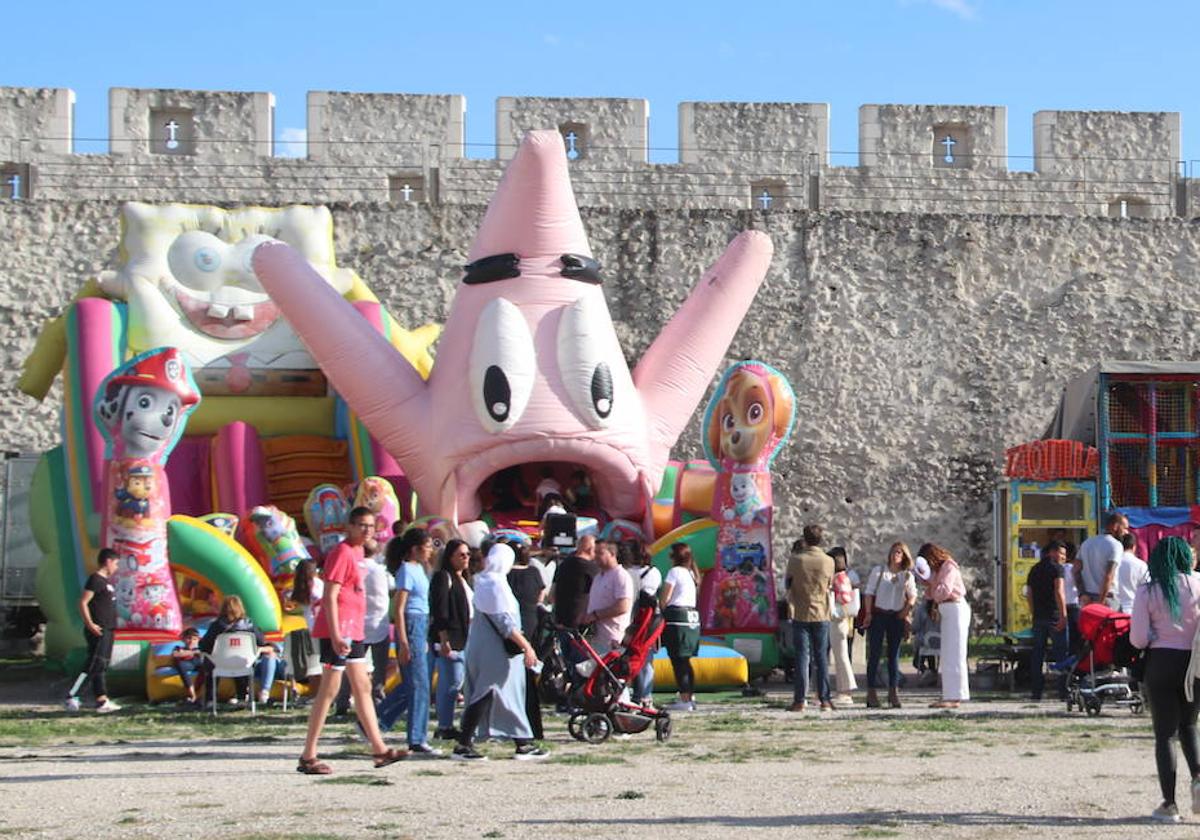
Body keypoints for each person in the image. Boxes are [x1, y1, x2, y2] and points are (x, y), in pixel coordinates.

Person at [298, 507, 405, 775]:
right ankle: (309, 754)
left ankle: (379, 748)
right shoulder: (342, 552)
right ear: (350, 526)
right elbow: (330, 595)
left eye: (370, 525)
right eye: (361, 525)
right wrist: (334, 634)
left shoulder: (358, 554)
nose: (367, 530)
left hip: (354, 628)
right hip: (340, 628)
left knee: (363, 687)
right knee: (329, 690)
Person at [453, 543, 549, 761]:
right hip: (496, 653)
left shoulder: (485, 582)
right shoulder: (495, 585)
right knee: (489, 692)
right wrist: (527, 646)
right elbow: (505, 623)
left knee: (500, 694)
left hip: (487, 649)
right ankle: (465, 743)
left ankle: (522, 742)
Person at [1130, 536, 1200, 823]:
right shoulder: (1198, 583)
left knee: (1165, 735)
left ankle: (1169, 805)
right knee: (1190, 725)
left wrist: (1157, 636)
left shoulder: (1149, 589)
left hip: (1161, 662)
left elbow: (1138, 639)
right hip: (1194, 664)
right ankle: (1198, 779)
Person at [375, 528, 439, 756]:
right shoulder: (406, 571)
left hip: (421, 622)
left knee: (417, 683)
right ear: (415, 548)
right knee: (419, 684)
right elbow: (399, 609)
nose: (430, 550)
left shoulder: (420, 569)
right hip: (412, 624)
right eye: (427, 546)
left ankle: (377, 720)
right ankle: (416, 738)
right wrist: (402, 642)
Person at [334, 537, 392, 715]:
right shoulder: (381, 571)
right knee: (380, 666)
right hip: (379, 622)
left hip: (357, 623)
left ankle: (342, 700)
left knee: (350, 665)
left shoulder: (355, 569)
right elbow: (392, 587)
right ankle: (378, 698)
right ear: (376, 552)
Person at [861, 542, 918, 708]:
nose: (896, 555)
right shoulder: (879, 572)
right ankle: (871, 692)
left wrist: (905, 611)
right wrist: (869, 613)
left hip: (896, 616)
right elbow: (869, 593)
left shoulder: (906, 575)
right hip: (879, 615)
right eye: (894, 552)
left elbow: (912, 595)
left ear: (904, 556)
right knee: (875, 654)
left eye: (900, 553)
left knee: (893, 655)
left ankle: (893, 691)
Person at [785, 525, 835, 712]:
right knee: (821, 657)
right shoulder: (828, 561)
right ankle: (825, 699)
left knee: (802, 657)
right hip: (821, 611)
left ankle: (800, 699)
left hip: (801, 611)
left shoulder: (796, 560)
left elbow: (789, 584)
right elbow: (829, 583)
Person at [65, 548, 122, 713]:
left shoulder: (106, 583)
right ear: (108, 561)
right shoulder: (95, 579)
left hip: (109, 629)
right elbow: (83, 602)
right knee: (93, 664)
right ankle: (72, 696)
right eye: (116, 563)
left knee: (101, 665)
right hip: (99, 628)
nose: (117, 568)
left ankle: (101, 700)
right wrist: (90, 624)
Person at [199, 595, 279, 707]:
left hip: (220, 663)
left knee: (209, 660)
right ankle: (242, 696)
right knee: (242, 656)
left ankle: (210, 699)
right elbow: (261, 641)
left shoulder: (216, 626)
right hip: (244, 663)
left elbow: (203, 646)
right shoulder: (250, 625)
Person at [430, 539, 473, 740]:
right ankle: (444, 725)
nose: (466, 558)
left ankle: (447, 724)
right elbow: (440, 609)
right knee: (451, 682)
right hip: (450, 637)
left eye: (468, 554)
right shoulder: (443, 577)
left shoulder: (464, 579)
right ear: (450, 557)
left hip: (465, 636)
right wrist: (444, 637)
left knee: (455, 682)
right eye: (461, 554)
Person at [922, 543, 970, 709]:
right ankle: (951, 693)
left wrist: (932, 586)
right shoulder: (938, 571)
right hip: (947, 610)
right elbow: (930, 594)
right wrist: (928, 582)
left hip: (955, 608)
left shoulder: (949, 567)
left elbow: (943, 591)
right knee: (948, 653)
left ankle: (955, 695)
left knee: (955, 652)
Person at [508, 542, 547, 739]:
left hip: (513, 628)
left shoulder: (506, 576)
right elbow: (542, 593)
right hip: (532, 624)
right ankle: (534, 726)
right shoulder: (533, 572)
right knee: (530, 676)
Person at [1026, 540, 1069, 701]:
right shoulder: (1057, 569)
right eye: (1062, 553)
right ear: (1052, 552)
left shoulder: (1034, 569)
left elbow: (1029, 593)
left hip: (1039, 617)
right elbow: (1059, 592)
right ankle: (1063, 691)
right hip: (1054, 616)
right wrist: (1063, 615)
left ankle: (1036, 691)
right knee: (1061, 654)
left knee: (1037, 654)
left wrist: (1033, 612)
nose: (1064, 557)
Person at [660, 542, 701, 712]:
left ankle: (685, 699)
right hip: (692, 620)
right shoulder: (692, 574)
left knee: (678, 661)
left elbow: (665, 597)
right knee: (685, 661)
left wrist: (661, 608)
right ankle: (689, 696)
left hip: (677, 618)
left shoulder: (674, 572)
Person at [625, 540, 662, 707]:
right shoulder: (651, 573)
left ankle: (640, 695)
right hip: (639, 621)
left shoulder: (630, 573)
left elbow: (647, 597)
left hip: (635, 621)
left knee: (638, 659)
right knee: (642, 659)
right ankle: (642, 695)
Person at [581, 540, 634, 657]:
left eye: (600, 553)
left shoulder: (620, 575)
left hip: (612, 638)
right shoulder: (598, 577)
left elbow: (623, 606)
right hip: (595, 637)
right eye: (595, 553)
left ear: (612, 554)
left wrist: (595, 615)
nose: (596, 556)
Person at [285, 558, 323, 700]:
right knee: (323, 664)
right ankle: (322, 694)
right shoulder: (318, 585)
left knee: (314, 665)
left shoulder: (299, 588)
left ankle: (315, 694)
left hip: (309, 629)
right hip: (321, 627)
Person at [827, 546, 859, 706]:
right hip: (842, 620)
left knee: (841, 656)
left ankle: (845, 691)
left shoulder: (838, 578)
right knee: (841, 656)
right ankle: (843, 690)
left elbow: (844, 598)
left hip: (838, 619)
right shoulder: (845, 576)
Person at [1079, 512, 1130, 607]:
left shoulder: (1087, 543)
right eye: (1125, 528)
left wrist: (1082, 593)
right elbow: (1109, 575)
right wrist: (1101, 601)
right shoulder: (1116, 545)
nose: (1126, 532)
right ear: (1115, 526)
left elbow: (1076, 570)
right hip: (1107, 598)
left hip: (1087, 598)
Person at [1116, 532, 1149, 614]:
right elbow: (1147, 589)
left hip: (1113, 609)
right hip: (1134, 610)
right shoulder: (1141, 565)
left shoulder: (1113, 562)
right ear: (1134, 547)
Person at [171, 627, 203, 706]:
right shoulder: (178, 648)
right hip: (186, 664)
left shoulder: (200, 648)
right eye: (189, 638)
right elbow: (175, 654)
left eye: (194, 639)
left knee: (206, 667)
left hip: (197, 663)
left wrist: (188, 652)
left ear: (198, 640)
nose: (191, 641)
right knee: (180, 665)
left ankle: (197, 690)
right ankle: (192, 694)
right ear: (183, 639)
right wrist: (191, 652)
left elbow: (203, 654)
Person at [1063, 541, 1083, 654]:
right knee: (1075, 637)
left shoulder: (1059, 568)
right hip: (1074, 604)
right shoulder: (1073, 569)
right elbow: (1078, 585)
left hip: (1062, 605)